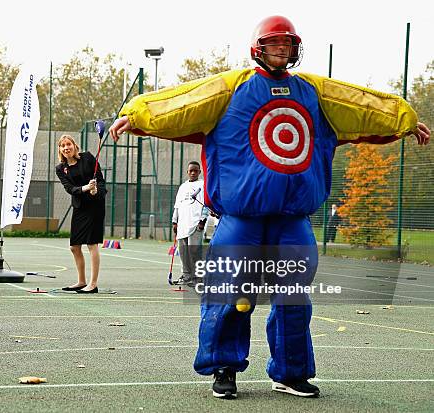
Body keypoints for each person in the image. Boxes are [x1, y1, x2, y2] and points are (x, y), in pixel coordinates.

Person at [110, 15, 430, 400]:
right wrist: (140, 112)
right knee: (228, 291)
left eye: (287, 43)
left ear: (295, 49)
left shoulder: (314, 91)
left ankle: (291, 373)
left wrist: (405, 120)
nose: (282, 49)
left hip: (292, 217)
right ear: (258, 47)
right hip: (241, 217)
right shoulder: (231, 88)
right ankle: (223, 367)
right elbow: (185, 101)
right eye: (274, 42)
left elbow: (362, 104)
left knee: (294, 296)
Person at [55, 134, 106, 294]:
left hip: (94, 206)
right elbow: (70, 188)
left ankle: (93, 284)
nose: (66, 148)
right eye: (63, 146)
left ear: (74, 146)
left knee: (92, 244)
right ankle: (81, 281)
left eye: (68, 144)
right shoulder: (60, 169)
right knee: (74, 246)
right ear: (60, 150)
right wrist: (85, 188)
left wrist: (96, 189)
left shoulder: (88, 158)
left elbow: (100, 180)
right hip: (79, 207)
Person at [172, 161, 209, 286]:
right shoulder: (182, 187)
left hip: (195, 223)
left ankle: (198, 277)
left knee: (194, 251)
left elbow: (206, 205)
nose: (193, 173)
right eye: (190, 171)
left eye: (196, 171)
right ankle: (186, 276)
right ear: (187, 172)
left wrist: (202, 220)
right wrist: (174, 221)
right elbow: (177, 205)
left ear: (199, 172)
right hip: (182, 224)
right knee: (183, 252)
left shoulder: (203, 185)